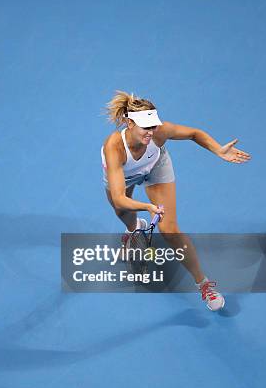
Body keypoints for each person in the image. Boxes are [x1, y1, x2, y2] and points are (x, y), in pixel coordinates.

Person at [101, 91, 251, 311]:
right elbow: (119, 198)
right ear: (129, 123)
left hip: (155, 167)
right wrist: (147, 207)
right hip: (126, 173)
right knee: (121, 210)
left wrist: (218, 149)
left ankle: (204, 283)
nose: (151, 132)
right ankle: (134, 230)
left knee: (169, 229)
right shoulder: (114, 148)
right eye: (145, 127)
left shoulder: (158, 133)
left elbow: (193, 133)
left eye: (153, 126)